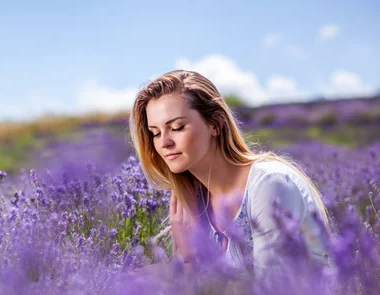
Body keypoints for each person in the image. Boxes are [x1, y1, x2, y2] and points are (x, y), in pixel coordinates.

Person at [129, 70, 335, 277]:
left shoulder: (269, 184)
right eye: (155, 133)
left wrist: (190, 259)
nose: (164, 142)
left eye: (177, 127)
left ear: (216, 124)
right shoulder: (192, 200)